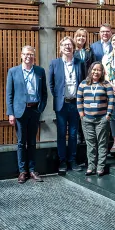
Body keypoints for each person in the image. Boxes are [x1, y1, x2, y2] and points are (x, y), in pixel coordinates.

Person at [6, 46, 48, 183]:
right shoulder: (13, 72)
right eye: (25, 54)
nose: (28, 57)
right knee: (20, 142)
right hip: (20, 112)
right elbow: (9, 95)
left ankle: (32, 169)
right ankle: (22, 171)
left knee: (32, 142)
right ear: (21, 55)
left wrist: (40, 109)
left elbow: (44, 93)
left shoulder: (40, 71)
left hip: (34, 110)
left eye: (31, 54)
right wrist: (10, 113)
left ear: (34, 56)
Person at [49, 36, 86, 174]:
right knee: (61, 134)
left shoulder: (79, 63)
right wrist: (59, 97)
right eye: (65, 45)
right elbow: (52, 85)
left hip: (75, 104)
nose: (67, 47)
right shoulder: (55, 63)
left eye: (70, 45)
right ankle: (62, 161)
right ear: (60, 48)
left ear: (73, 47)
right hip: (62, 105)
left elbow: (82, 83)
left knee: (73, 134)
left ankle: (72, 160)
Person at [77, 62, 114, 176]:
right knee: (90, 144)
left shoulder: (106, 84)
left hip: (101, 120)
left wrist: (108, 115)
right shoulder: (83, 84)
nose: (96, 72)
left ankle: (100, 167)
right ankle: (91, 166)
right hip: (87, 120)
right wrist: (81, 115)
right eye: (94, 70)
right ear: (90, 70)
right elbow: (79, 100)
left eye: (98, 70)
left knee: (102, 144)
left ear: (102, 72)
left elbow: (111, 100)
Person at [73, 28, 96, 149]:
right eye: (79, 36)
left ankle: (86, 135)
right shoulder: (72, 51)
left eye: (83, 36)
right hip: (76, 86)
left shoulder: (89, 51)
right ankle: (78, 135)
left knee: (87, 110)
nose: (81, 38)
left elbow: (93, 67)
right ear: (75, 38)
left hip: (88, 85)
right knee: (78, 111)